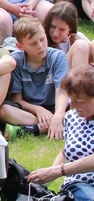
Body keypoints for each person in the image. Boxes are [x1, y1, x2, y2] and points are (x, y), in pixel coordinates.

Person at [28, 65, 94, 200]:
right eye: (71, 100)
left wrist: (59, 171)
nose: (73, 106)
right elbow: (66, 152)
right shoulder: (71, 117)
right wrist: (46, 177)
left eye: (79, 101)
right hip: (81, 183)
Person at [0, 17, 68, 139]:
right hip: (30, 111)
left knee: (74, 114)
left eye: (42, 39)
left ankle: (31, 130)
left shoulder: (58, 57)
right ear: (20, 46)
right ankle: (50, 126)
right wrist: (38, 109)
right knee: (4, 110)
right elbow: (17, 99)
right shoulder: (16, 60)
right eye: (33, 43)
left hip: (57, 107)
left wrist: (58, 116)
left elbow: (62, 92)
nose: (40, 46)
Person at [43, 2, 91, 70]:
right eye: (53, 27)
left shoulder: (78, 37)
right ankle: (79, 80)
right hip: (56, 75)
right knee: (81, 45)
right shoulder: (42, 38)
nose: (55, 33)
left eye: (62, 29)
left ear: (70, 28)